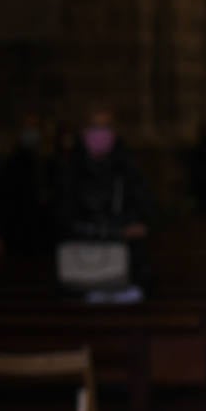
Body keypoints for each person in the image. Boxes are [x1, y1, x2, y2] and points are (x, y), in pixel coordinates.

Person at [53, 106, 153, 299]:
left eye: (105, 127)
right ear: (83, 132)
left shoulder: (127, 170)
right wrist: (115, 231)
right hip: (80, 274)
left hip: (123, 274)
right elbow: (63, 220)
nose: (100, 134)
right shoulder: (69, 172)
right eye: (95, 127)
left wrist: (132, 226)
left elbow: (144, 212)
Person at [0, 111, 56, 275]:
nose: (31, 132)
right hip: (16, 235)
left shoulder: (49, 164)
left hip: (43, 236)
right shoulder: (10, 165)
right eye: (28, 127)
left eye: (35, 127)